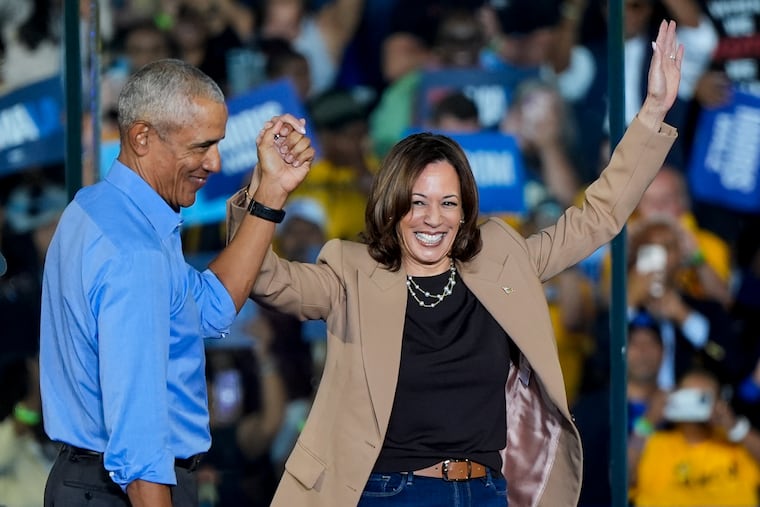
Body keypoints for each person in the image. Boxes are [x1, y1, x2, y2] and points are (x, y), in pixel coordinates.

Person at [224, 20, 683, 507]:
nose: (432, 219)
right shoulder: (350, 272)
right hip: (389, 493)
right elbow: (263, 277)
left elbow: (599, 216)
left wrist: (653, 111)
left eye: (448, 203)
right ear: (391, 205)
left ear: (466, 210)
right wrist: (266, 192)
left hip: (486, 491)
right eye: (417, 202)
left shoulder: (502, 261)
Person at [39, 58, 315, 507]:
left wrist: (270, 193)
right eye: (201, 146)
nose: (215, 162)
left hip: (90, 483)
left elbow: (208, 308)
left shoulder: (97, 208)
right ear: (142, 137)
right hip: (127, 490)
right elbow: (139, 438)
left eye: (218, 144)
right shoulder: (136, 253)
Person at [630, 368, 760, 506]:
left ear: (719, 401)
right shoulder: (654, 444)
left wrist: (734, 427)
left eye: (704, 397)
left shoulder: (738, 445)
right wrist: (649, 420)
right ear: (675, 398)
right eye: (689, 396)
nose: (695, 404)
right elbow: (619, 480)